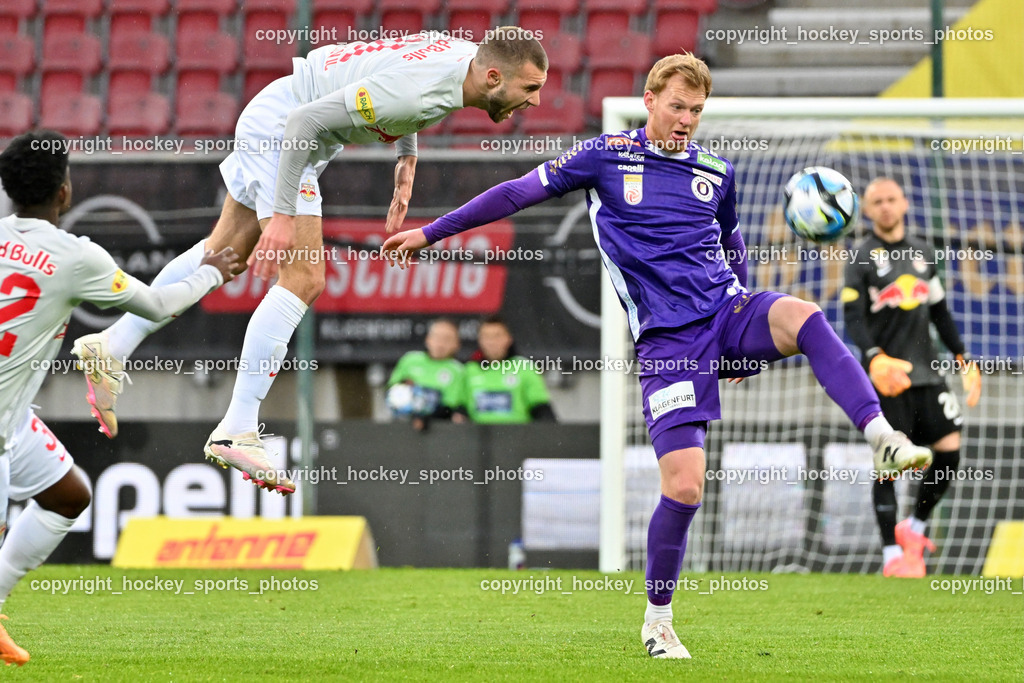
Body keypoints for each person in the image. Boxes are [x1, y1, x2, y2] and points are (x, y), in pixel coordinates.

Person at [382, 53, 934, 659]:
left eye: (696, 111)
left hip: (727, 312)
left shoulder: (716, 171)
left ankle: (879, 433)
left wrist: (743, 320)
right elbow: (517, 192)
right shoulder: (604, 157)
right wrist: (432, 233)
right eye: (677, 107)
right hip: (668, 343)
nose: (686, 120)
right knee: (686, 486)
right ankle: (659, 620)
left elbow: (731, 239)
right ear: (649, 101)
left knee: (805, 317)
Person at [71, 28, 548, 494]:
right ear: (491, 76)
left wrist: (407, 158)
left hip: (285, 117)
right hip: (287, 126)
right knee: (304, 277)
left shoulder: (468, 57)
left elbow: (402, 76)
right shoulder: (420, 91)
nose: (536, 102)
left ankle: (113, 344)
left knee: (226, 250)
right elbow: (308, 120)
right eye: (530, 89)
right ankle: (237, 427)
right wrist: (280, 213)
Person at [0, 130, 237, 665]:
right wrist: (211, 273)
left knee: (68, 496)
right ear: (65, 192)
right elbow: (154, 305)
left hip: (11, 419)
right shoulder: (74, 255)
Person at [842, 177, 981, 578]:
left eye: (891, 199)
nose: (885, 207)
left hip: (928, 372)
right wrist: (873, 358)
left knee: (949, 450)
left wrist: (962, 357)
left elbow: (939, 311)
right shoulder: (862, 257)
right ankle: (890, 555)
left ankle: (915, 528)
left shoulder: (924, 250)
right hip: (888, 378)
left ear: (904, 203)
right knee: (889, 463)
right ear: (866, 211)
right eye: (876, 202)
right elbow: (852, 318)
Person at [464, 316, 555, 424]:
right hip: (478, 438)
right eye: (486, 336)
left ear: (508, 338)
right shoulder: (469, 370)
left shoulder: (523, 367)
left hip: (517, 437)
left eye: (497, 336)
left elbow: (541, 408)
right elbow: (460, 409)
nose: (491, 342)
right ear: (480, 340)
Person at [387, 318, 468, 430]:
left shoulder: (458, 371)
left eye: (447, 339)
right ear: (428, 339)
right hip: (403, 426)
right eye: (437, 337)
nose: (441, 343)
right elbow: (392, 393)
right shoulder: (409, 360)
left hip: (438, 430)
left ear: (457, 344)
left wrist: (424, 418)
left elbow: (451, 407)